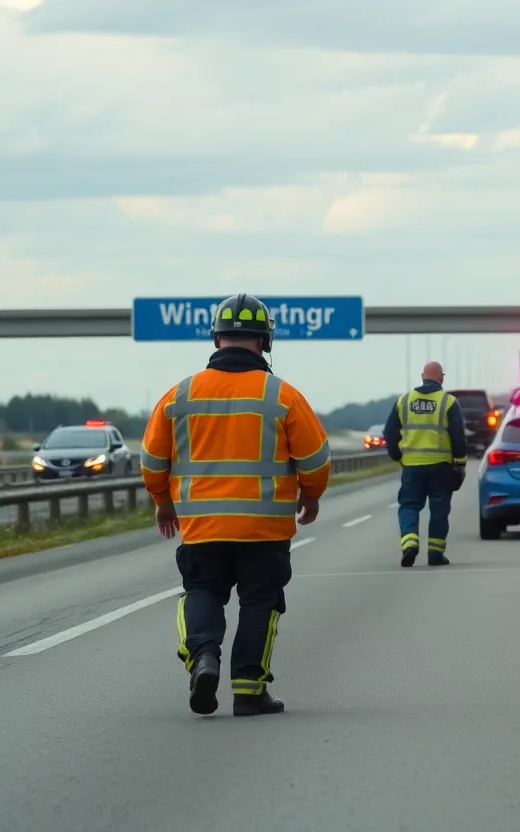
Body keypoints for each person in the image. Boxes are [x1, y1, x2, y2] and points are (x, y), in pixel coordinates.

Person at [140, 293, 332, 718]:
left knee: (202, 592)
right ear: (265, 341)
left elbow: (153, 460)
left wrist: (162, 502)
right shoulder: (283, 396)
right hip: (264, 530)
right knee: (259, 602)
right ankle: (248, 690)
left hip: (202, 527)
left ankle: (203, 658)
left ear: (216, 337)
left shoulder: (179, 395)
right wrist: (311, 495)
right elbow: (317, 459)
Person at [383, 361, 468, 568]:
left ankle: (410, 543)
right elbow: (458, 437)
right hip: (441, 466)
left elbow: (389, 432)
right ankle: (435, 554)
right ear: (442, 378)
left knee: (409, 505)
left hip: (412, 466)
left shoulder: (404, 401)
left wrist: (397, 456)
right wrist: (461, 464)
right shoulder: (448, 402)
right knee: (439, 509)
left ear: (422, 376)